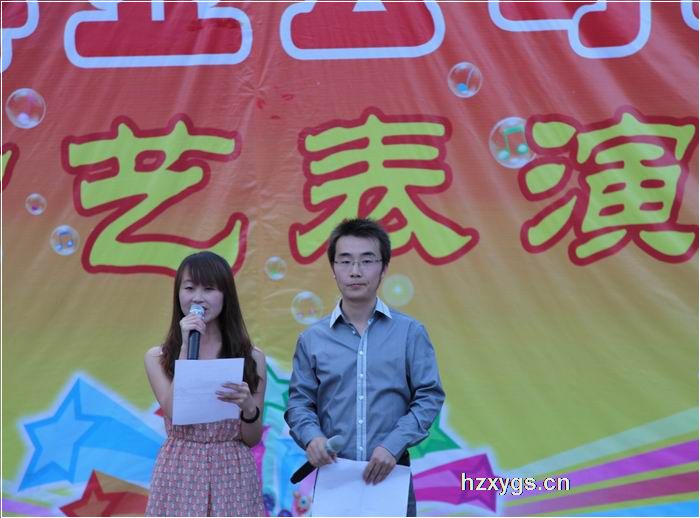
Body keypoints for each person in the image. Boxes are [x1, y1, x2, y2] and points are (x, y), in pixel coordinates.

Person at [285, 218, 445, 516]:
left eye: (367, 260)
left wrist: (393, 445)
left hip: (391, 476)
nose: (355, 271)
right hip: (334, 478)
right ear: (333, 268)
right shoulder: (312, 339)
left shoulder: (410, 333)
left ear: (384, 268)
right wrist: (312, 438)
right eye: (345, 261)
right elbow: (299, 404)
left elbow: (429, 396)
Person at [144, 251, 266, 516]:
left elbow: (252, 438)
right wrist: (186, 347)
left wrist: (248, 408)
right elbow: (173, 411)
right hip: (180, 471)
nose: (197, 298)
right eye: (189, 288)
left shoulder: (251, 357)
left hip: (233, 472)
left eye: (209, 289)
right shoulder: (158, 357)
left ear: (225, 295)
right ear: (178, 293)